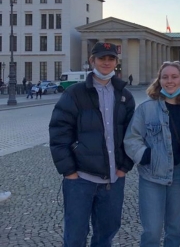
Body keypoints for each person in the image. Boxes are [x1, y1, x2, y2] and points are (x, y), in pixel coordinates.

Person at [49, 42, 136, 247]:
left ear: (116, 62)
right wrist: (69, 171)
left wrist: (124, 166)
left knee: (105, 236)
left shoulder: (125, 96)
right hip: (80, 178)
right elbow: (59, 133)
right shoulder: (75, 93)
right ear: (92, 61)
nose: (106, 62)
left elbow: (133, 135)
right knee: (75, 236)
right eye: (101, 58)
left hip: (113, 179)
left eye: (111, 58)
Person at [124, 61, 180, 246]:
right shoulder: (146, 108)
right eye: (165, 77)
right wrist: (147, 156)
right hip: (152, 175)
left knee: (175, 229)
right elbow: (132, 139)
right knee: (152, 231)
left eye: (174, 77)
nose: (169, 81)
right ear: (159, 80)